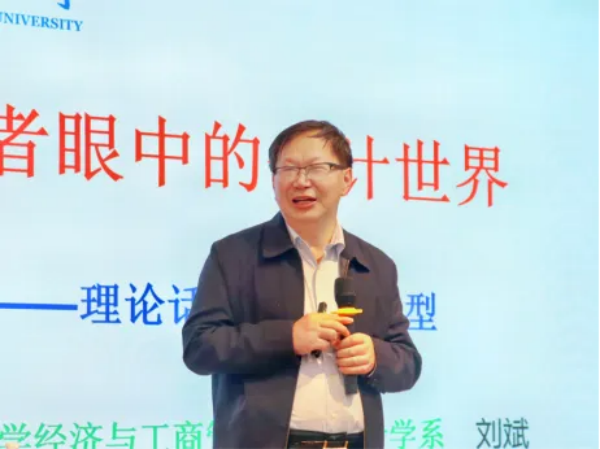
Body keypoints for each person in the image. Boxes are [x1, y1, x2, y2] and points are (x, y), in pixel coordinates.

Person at [182, 120, 422, 449]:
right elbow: (199, 347)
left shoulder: (376, 265)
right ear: (273, 181)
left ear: (347, 180)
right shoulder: (233, 256)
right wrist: (288, 337)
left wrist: (374, 356)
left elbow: (407, 363)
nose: (301, 181)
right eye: (289, 169)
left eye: (316, 168)